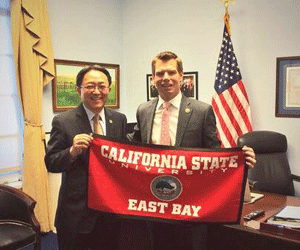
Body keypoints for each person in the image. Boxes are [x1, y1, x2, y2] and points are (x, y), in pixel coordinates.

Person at [128, 51, 256, 250]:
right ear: (153, 78)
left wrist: (239, 158)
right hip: (154, 203)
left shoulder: (201, 111)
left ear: (181, 75)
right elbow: (133, 148)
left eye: (171, 72)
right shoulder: (143, 110)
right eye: (160, 74)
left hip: (189, 204)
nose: (166, 78)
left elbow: (215, 153)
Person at [45, 65, 127, 250]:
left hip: (109, 212)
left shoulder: (119, 119)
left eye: (102, 86)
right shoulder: (63, 121)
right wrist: (72, 151)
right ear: (78, 90)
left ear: (109, 89)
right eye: (90, 86)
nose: (97, 91)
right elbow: (51, 162)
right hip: (75, 215)